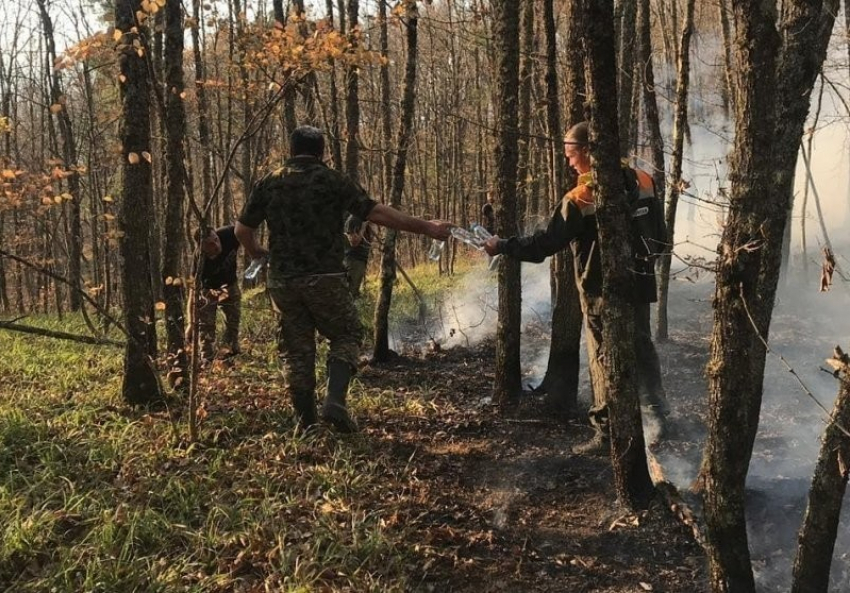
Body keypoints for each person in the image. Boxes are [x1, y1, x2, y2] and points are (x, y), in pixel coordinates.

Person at [235, 125, 452, 433]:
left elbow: (242, 231)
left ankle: (306, 424)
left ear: (292, 149)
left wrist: (258, 252)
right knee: (347, 334)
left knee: (297, 351)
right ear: (322, 151)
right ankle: (335, 403)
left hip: (282, 282)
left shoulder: (269, 182)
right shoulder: (332, 180)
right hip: (325, 277)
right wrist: (428, 227)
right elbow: (377, 213)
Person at [483, 121, 669, 455]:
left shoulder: (581, 197)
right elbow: (661, 237)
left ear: (586, 151)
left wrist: (502, 246)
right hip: (639, 285)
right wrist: (643, 266)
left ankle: (608, 431)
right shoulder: (644, 180)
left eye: (570, 154)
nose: (568, 163)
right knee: (641, 348)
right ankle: (656, 416)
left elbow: (543, 244)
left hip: (600, 293)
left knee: (604, 357)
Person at [197, 225, 242, 360]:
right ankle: (207, 360)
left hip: (230, 284)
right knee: (206, 326)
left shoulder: (230, 234)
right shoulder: (200, 262)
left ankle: (229, 354)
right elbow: (194, 291)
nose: (216, 245)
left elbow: (247, 231)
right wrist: (190, 323)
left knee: (233, 321)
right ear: (202, 248)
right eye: (210, 244)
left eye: (216, 239)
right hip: (209, 290)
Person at [343, 213, 375, 297]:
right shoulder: (354, 218)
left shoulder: (360, 217)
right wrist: (364, 226)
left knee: (354, 290)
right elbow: (353, 241)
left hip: (359, 258)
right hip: (354, 259)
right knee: (351, 292)